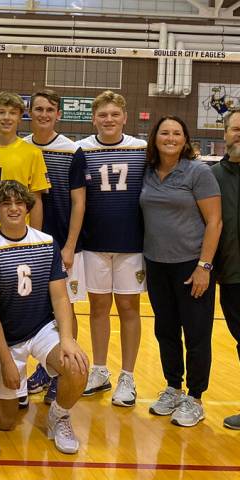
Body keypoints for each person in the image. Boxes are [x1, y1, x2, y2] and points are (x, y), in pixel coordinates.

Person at [0, 180, 89, 455]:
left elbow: (61, 297)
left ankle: (59, 416)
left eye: (19, 203)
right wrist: (6, 361)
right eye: (6, 203)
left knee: (77, 366)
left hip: (41, 329)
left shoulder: (46, 242)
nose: (13, 208)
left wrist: (67, 339)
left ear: (27, 207)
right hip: (7, 338)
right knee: (4, 422)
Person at [140, 115, 221, 428]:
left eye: (176, 133)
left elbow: (215, 221)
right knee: (165, 330)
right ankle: (173, 387)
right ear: (155, 138)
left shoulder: (198, 172)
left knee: (197, 333)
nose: (170, 138)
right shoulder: (147, 171)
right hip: (157, 264)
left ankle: (196, 397)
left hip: (192, 265)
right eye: (164, 133)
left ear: (185, 140)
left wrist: (205, 265)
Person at [77, 91, 146, 407]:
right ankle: (100, 370)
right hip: (94, 244)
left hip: (132, 245)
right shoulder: (83, 151)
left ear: (124, 118)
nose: (108, 120)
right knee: (98, 308)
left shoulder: (142, 149)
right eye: (103, 115)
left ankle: (128, 377)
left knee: (129, 309)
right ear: (94, 118)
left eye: (114, 115)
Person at [23, 89, 87, 404]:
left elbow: (79, 202)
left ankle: (62, 368)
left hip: (60, 242)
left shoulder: (72, 150)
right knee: (33, 307)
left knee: (65, 307)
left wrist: (70, 245)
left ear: (58, 114)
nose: (44, 115)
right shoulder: (20, 148)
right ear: (30, 113)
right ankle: (43, 368)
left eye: (50, 110)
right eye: (38, 109)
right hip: (26, 243)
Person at [0, 91, 49, 242]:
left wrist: (35, 239)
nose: (7, 118)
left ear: (20, 117)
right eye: (1, 112)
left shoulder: (33, 153)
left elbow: (36, 200)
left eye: (13, 113)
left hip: (21, 235)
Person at [212, 108, 240, 430]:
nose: (239, 134)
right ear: (224, 134)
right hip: (231, 278)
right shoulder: (212, 176)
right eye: (235, 129)